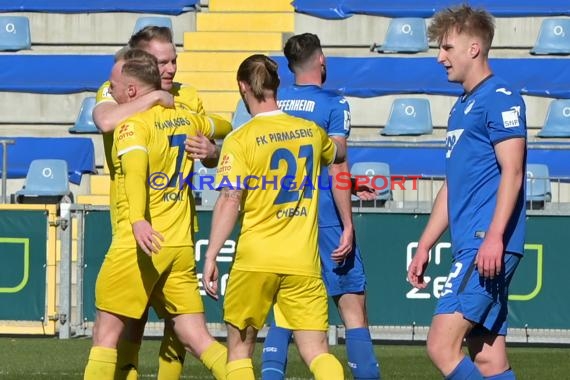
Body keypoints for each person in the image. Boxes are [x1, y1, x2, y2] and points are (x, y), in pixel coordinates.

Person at [83, 49, 231, 380]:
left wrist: (137, 220)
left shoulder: (132, 125)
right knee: (198, 338)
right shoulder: (187, 117)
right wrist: (207, 137)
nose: (111, 91)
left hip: (142, 243)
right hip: (179, 246)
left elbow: (135, 173)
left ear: (132, 91)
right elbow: (225, 124)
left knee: (106, 337)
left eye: (115, 86)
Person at [202, 54, 346, 380]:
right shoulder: (309, 131)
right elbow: (338, 152)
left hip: (256, 259)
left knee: (239, 351)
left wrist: (211, 253)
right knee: (317, 351)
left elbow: (230, 198)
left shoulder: (240, 139)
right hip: (302, 262)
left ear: (242, 87)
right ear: (277, 84)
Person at [407, 5, 526, 380]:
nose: (440, 58)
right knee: (488, 357)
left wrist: (493, 237)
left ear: (474, 48)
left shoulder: (500, 96)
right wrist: (425, 244)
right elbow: (453, 185)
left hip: (484, 244)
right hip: (473, 243)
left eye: (447, 48)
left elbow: (514, 172)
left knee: (441, 345)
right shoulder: (461, 107)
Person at [261, 33, 381, 380]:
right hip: (326, 217)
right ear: (322, 60)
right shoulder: (334, 104)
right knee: (353, 310)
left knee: (283, 311)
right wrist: (348, 223)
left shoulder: (275, 102)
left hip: (284, 220)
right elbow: (337, 163)